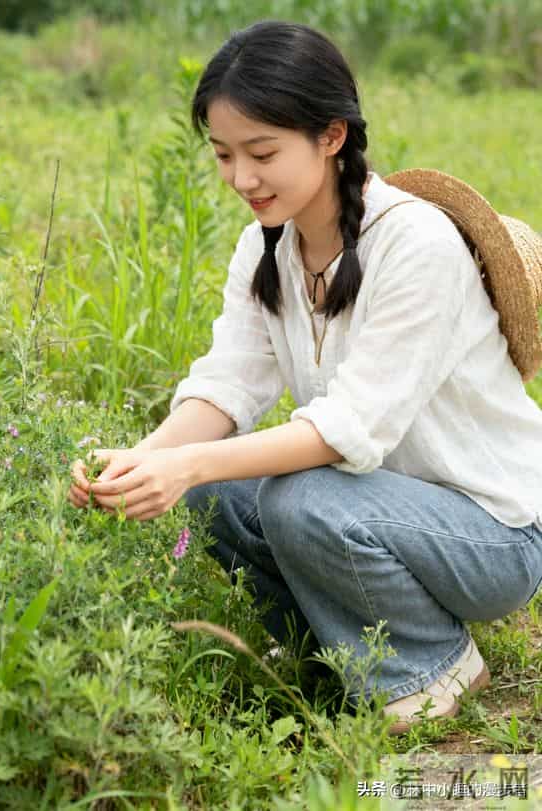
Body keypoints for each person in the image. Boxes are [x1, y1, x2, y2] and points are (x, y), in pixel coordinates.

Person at [69, 20, 542, 735]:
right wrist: (145, 459)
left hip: (492, 534)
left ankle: (433, 666)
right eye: (224, 155)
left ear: (332, 136)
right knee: (216, 487)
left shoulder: (416, 246)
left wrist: (187, 463)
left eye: (262, 152)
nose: (240, 178)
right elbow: (226, 385)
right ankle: (323, 649)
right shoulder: (267, 245)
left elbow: (347, 429)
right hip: (381, 507)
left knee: (299, 498)